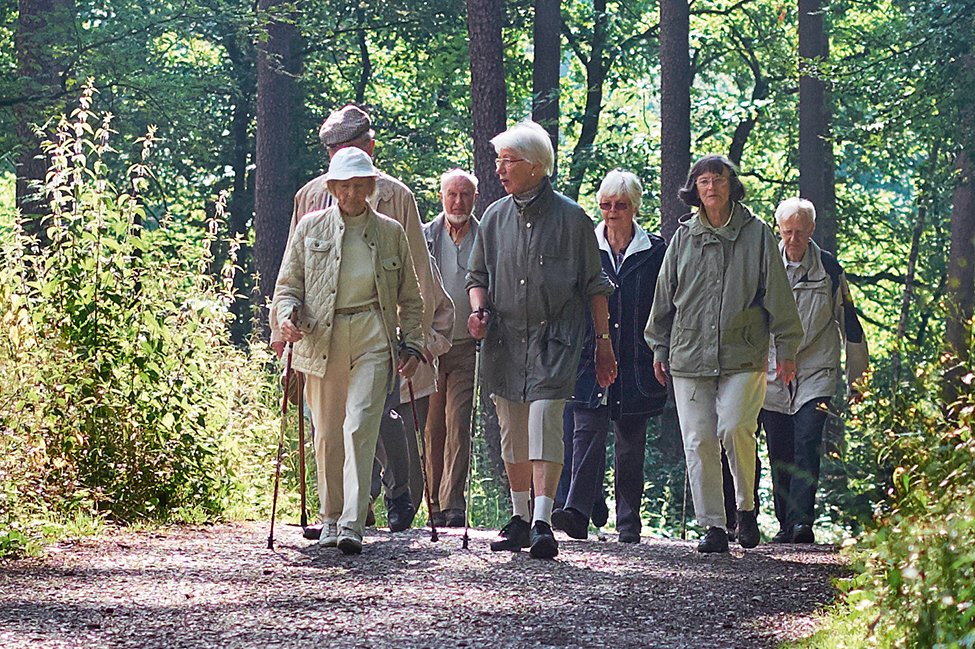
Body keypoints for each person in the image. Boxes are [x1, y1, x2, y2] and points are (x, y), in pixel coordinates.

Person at [271, 104, 436, 537]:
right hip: (320, 335)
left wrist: (417, 341)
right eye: (343, 185)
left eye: (360, 185)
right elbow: (288, 283)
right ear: (331, 184)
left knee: (361, 423)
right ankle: (332, 517)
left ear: (370, 182)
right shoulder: (310, 221)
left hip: (373, 333)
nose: (351, 193)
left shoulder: (392, 223)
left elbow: (413, 288)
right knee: (327, 431)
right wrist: (282, 323)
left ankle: (352, 523)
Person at [467, 120, 617, 559]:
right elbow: (477, 276)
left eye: (508, 161)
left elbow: (595, 286)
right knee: (513, 430)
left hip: (556, 342)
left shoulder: (573, 218)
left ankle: (542, 521)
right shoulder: (494, 217)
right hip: (505, 341)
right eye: (499, 160)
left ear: (536, 166)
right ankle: (519, 517)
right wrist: (478, 310)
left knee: (545, 422)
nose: (500, 169)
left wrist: (603, 344)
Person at [645, 155, 803, 553]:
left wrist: (787, 349)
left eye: (718, 179)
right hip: (689, 352)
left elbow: (779, 296)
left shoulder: (758, 234)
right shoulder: (684, 237)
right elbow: (664, 296)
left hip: (743, 352)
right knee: (698, 439)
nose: (711, 187)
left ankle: (746, 509)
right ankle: (713, 525)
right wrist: (659, 347)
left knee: (734, 428)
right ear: (694, 190)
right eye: (703, 181)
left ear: (732, 185)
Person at [552, 170, 668, 544]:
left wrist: (661, 349)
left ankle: (628, 522)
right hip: (588, 357)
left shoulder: (655, 252)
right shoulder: (585, 246)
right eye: (605, 205)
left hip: (636, 360)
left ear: (634, 207)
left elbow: (664, 305)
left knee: (630, 442)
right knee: (585, 432)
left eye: (620, 205)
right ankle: (577, 512)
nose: (612, 212)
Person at [763, 197, 869, 544]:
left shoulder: (828, 269)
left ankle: (801, 522)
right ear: (779, 230)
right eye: (787, 232)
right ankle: (784, 522)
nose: (793, 239)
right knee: (779, 446)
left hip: (816, 369)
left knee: (807, 440)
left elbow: (850, 324)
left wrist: (858, 381)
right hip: (773, 369)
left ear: (811, 230)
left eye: (800, 231)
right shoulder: (764, 265)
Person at [423, 169, 480, 527]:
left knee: (459, 423)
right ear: (441, 197)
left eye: (465, 195)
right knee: (432, 428)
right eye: (452, 195)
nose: (458, 202)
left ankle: (453, 503)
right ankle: (433, 503)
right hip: (431, 345)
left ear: (475, 198)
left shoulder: (485, 237)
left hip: (466, 346)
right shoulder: (425, 236)